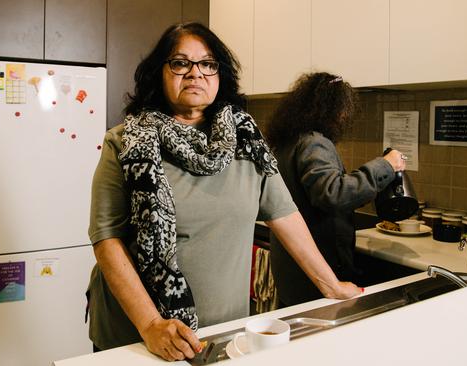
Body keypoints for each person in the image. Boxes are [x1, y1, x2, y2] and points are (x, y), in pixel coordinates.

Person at [85, 23, 361, 361]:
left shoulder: (247, 141)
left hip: (222, 330)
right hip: (136, 334)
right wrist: (151, 324)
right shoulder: (125, 142)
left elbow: (284, 214)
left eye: (208, 64)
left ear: (220, 74)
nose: (195, 74)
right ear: (160, 72)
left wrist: (330, 285)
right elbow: (106, 240)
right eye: (180, 63)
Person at [265, 72, 406, 307]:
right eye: (343, 109)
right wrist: (386, 165)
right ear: (331, 109)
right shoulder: (314, 142)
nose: (344, 116)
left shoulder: (287, 140)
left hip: (293, 264)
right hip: (318, 265)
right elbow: (332, 193)